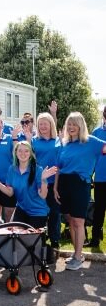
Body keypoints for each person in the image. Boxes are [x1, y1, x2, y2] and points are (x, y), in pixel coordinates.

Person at [55, 112, 106, 270]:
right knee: (70, 220)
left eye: (74, 124)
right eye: (69, 124)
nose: (71, 127)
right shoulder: (64, 144)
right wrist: (56, 187)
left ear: (81, 125)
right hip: (64, 183)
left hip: (80, 184)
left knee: (79, 221)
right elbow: (59, 168)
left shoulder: (91, 142)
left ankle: (78, 256)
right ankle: (77, 255)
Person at [0, 141, 57, 229]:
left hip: (37, 211)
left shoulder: (38, 169)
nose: (23, 153)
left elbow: (43, 195)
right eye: (20, 151)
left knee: (30, 240)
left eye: (26, 151)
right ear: (16, 153)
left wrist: (43, 179)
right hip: (21, 209)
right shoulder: (12, 169)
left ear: (30, 153)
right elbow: (10, 192)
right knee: (13, 235)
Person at [32, 112, 61, 248]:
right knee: (40, 212)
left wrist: (56, 185)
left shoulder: (58, 141)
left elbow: (61, 163)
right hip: (38, 183)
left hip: (54, 182)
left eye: (45, 123)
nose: (43, 126)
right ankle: (40, 241)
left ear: (51, 124)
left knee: (55, 213)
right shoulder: (33, 141)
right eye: (40, 124)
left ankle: (55, 241)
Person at [88, 105, 106, 247]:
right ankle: (95, 239)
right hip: (100, 178)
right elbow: (91, 157)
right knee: (99, 209)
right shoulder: (96, 132)